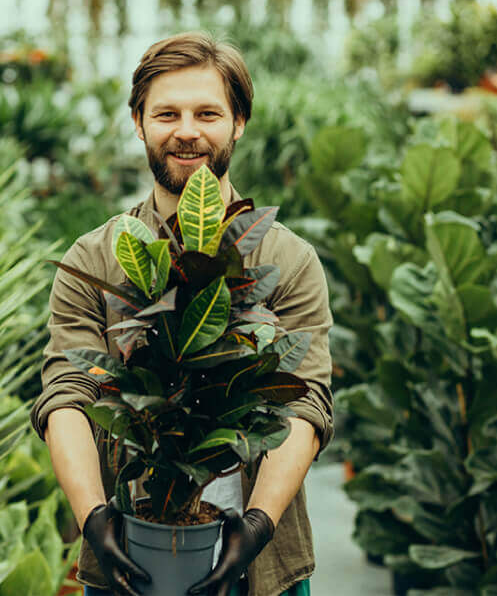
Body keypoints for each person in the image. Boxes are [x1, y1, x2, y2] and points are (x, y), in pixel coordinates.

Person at [31, 31, 333, 596]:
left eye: (208, 113)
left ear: (238, 122)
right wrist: (95, 517)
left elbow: (305, 400)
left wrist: (259, 525)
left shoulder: (285, 259)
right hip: (130, 556)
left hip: (262, 568)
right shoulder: (96, 258)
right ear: (138, 122)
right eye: (167, 113)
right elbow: (68, 391)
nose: (187, 131)